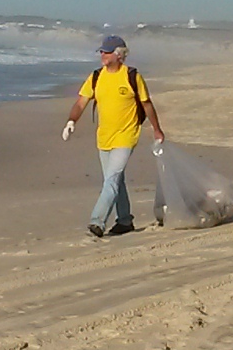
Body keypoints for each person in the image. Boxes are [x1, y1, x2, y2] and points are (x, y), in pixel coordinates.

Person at [63, 35, 165, 238]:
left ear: (119, 55)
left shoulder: (132, 76)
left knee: (111, 181)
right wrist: (71, 121)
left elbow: (146, 104)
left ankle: (97, 222)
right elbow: (81, 102)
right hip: (104, 137)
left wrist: (157, 129)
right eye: (101, 51)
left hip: (127, 135)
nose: (102, 55)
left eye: (107, 52)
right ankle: (125, 220)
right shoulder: (96, 77)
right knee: (116, 180)